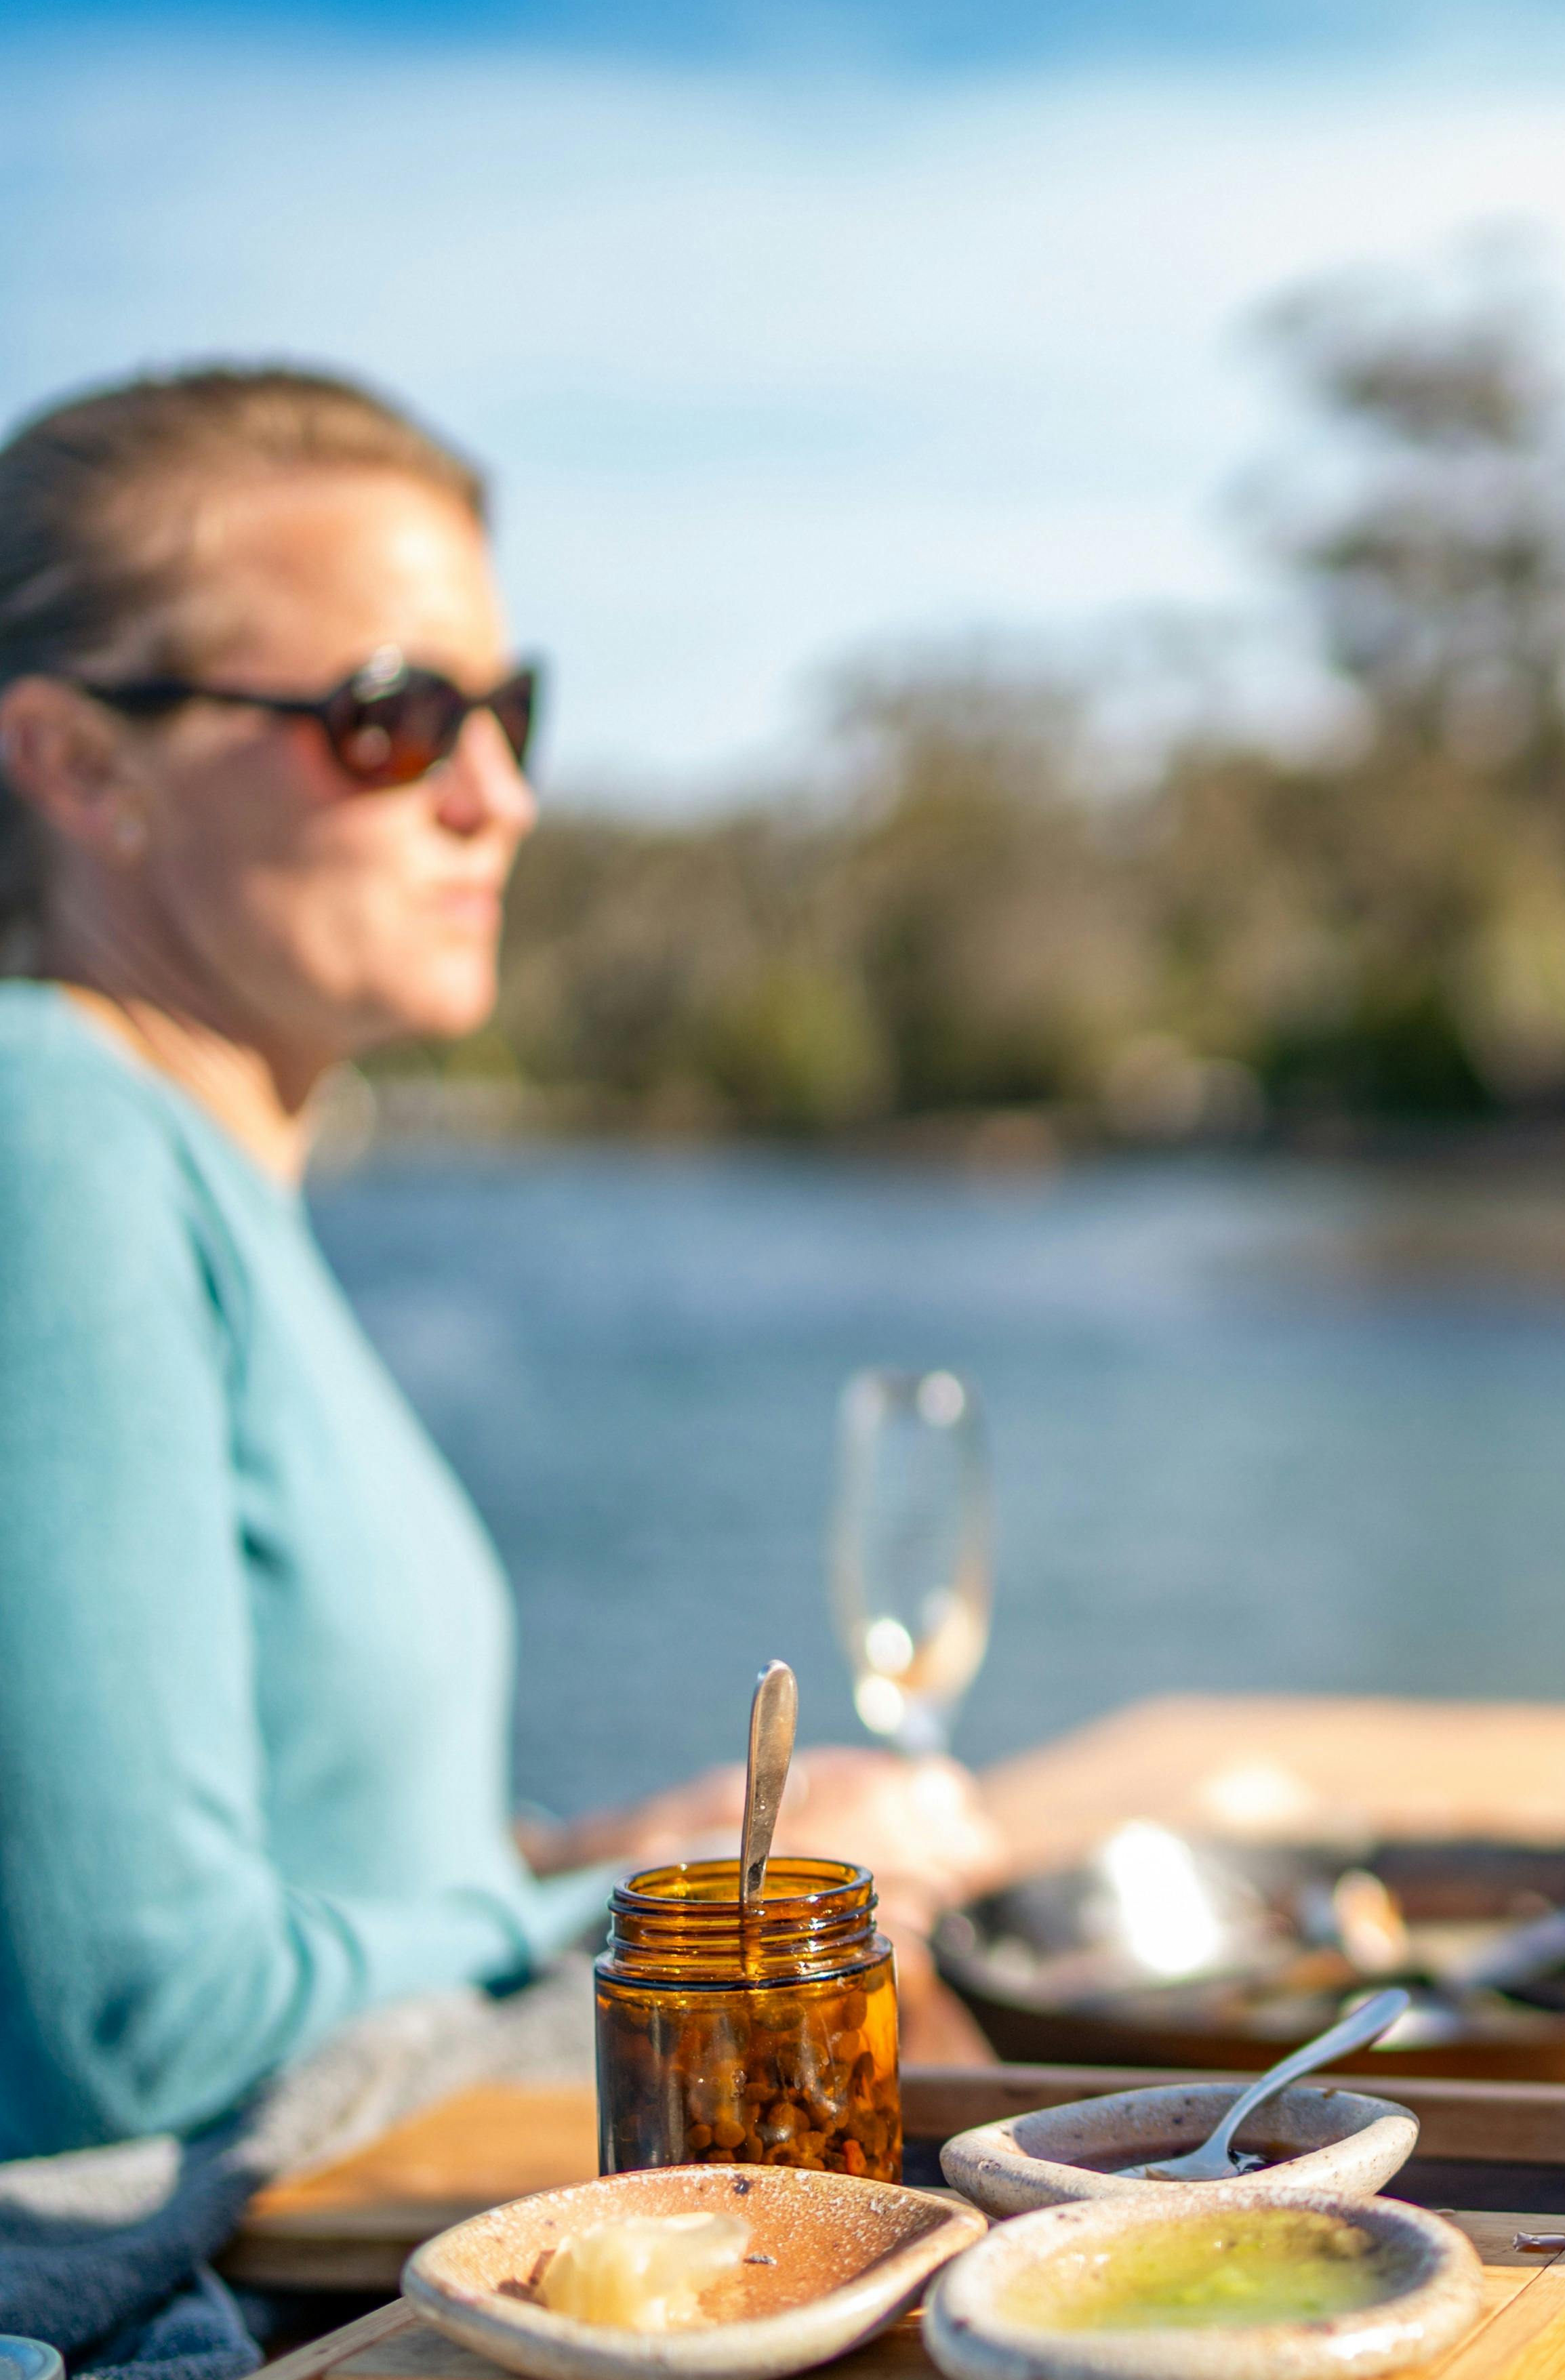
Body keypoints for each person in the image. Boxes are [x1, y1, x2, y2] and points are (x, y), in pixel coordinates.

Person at [0, 367, 1000, 2174]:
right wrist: (641, 1897)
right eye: (389, 719)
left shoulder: (190, 1176)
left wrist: (606, 1839)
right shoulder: (52, 1136)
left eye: (508, 707)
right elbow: (135, 2027)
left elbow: (303, 1862)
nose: (501, 793)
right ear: (81, 768)